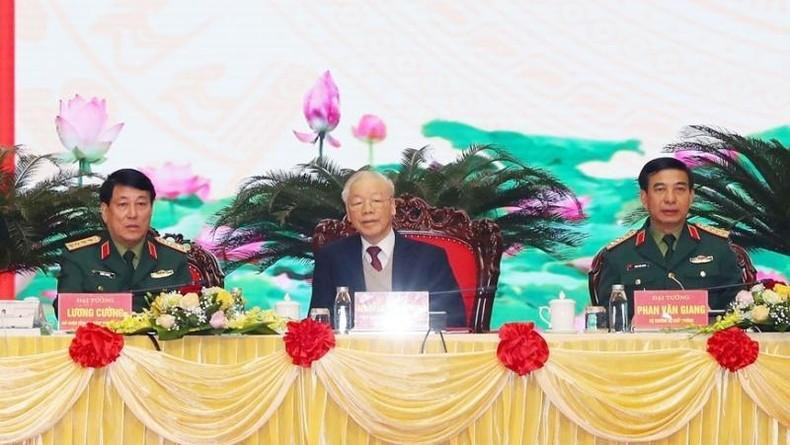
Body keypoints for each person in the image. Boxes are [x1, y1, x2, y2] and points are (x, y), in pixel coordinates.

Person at [310, 170, 466, 327]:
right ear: (348, 214)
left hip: (415, 342)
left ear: (392, 206)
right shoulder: (331, 258)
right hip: (352, 344)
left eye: (376, 201)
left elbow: (454, 319)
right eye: (357, 203)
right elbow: (318, 324)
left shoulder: (430, 258)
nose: (367, 210)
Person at [595, 157, 744, 317]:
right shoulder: (618, 255)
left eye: (679, 189)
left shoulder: (717, 247)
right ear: (644, 198)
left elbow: (738, 311)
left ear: (691, 196)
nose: (670, 199)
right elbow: (607, 319)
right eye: (660, 189)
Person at [55, 169, 192, 314]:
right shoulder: (79, 258)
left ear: (151, 209)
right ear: (105, 211)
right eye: (123, 204)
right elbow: (66, 311)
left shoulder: (173, 258)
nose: (132, 214)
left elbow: (189, 314)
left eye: (141, 204)